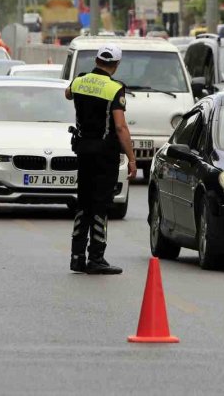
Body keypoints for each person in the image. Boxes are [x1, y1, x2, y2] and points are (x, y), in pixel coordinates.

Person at [65, 44, 137, 275]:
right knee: (100, 206)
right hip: (105, 155)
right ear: (116, 65)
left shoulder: (80, 81)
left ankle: (77, 257)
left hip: (83, 151)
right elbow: (120, 126)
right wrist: (132, 158)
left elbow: (67, 93)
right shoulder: (115, 88)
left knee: (83, 203)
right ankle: (96, 257)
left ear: (96, 60)